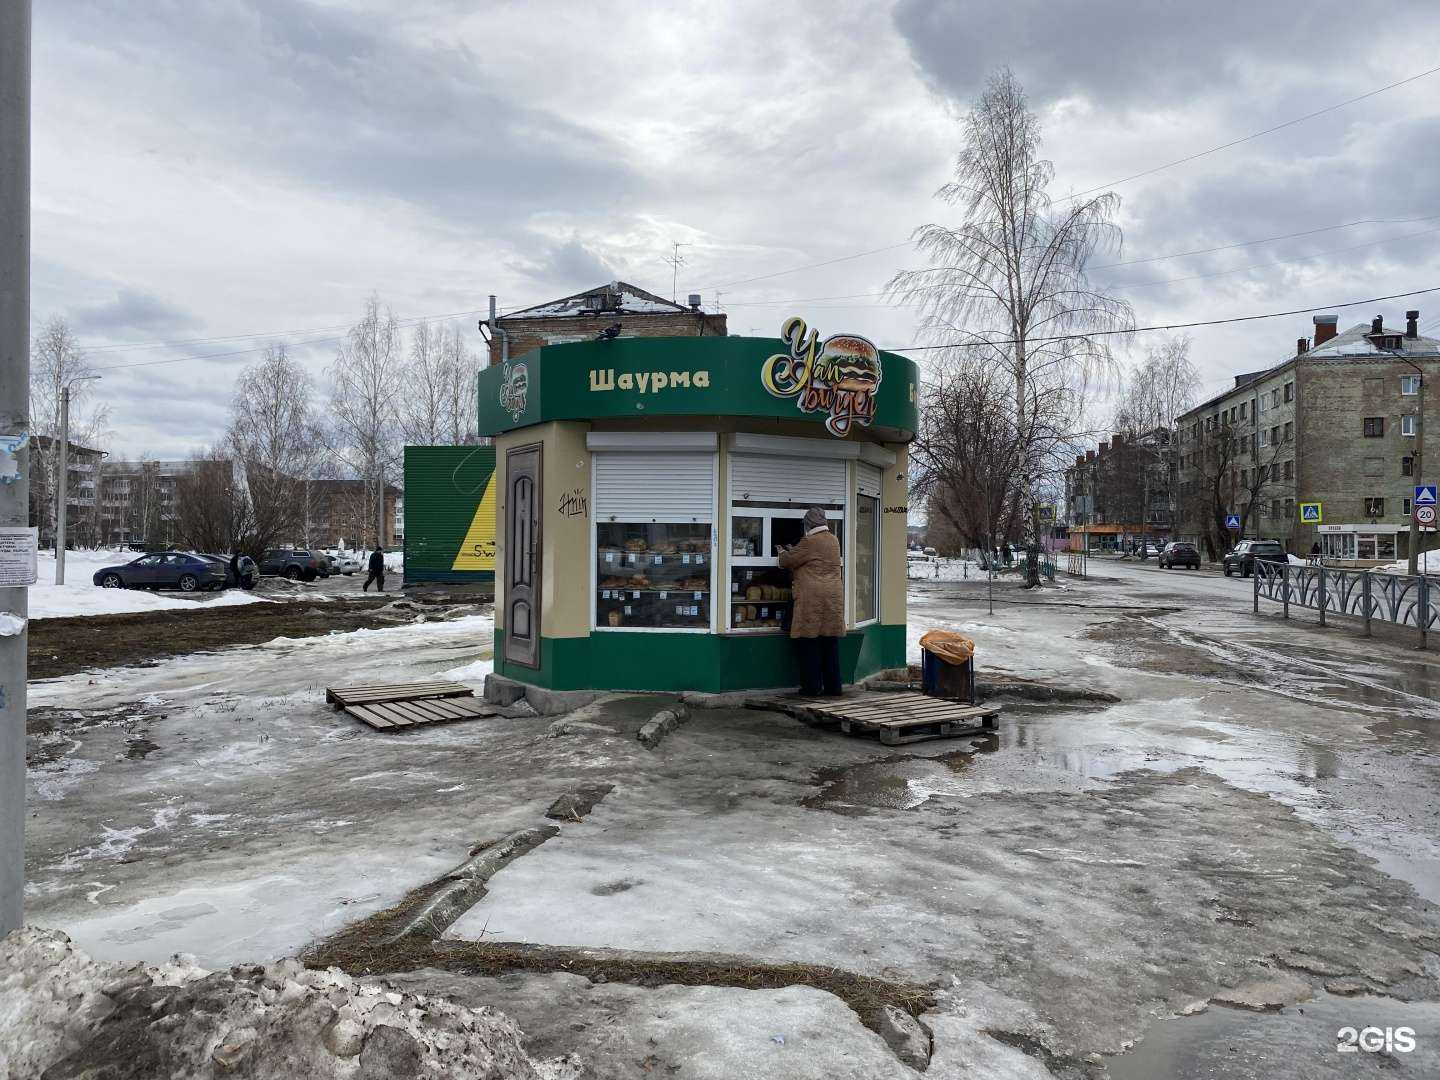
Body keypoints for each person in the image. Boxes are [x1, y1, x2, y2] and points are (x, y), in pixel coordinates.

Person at [778, 507, 845, 697]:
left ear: (808, 524)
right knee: (829, 642)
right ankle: (834, 688)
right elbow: (814, 559)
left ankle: (812, 687)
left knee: (809, 642)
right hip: (832, 596)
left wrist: (782, 551)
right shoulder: (833, 540)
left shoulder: (809, 541)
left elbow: (788, 562)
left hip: (812, 597)